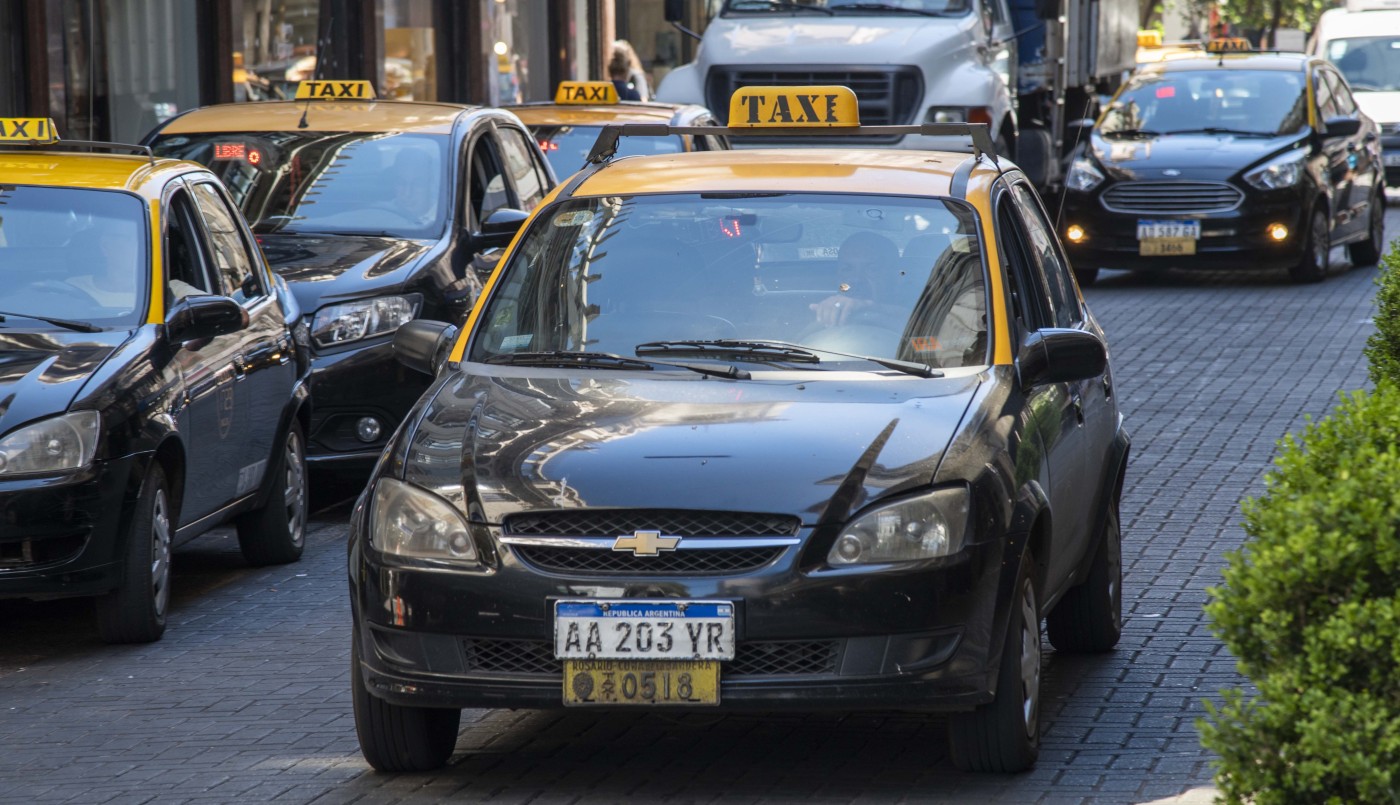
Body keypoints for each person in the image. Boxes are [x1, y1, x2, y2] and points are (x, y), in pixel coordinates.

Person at [809, 231, 901, 327]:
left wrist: (872, 308)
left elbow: (906, 317)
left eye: (872, 269)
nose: (856, 279)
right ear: (837, 278)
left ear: (895, 278)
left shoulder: (915, 316)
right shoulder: (820, 315)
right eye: (847, 269)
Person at [65, 221, 140, 312]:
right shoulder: (74, 288)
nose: (139, 245)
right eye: (129, 239)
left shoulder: (157, 293)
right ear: (105, 246)